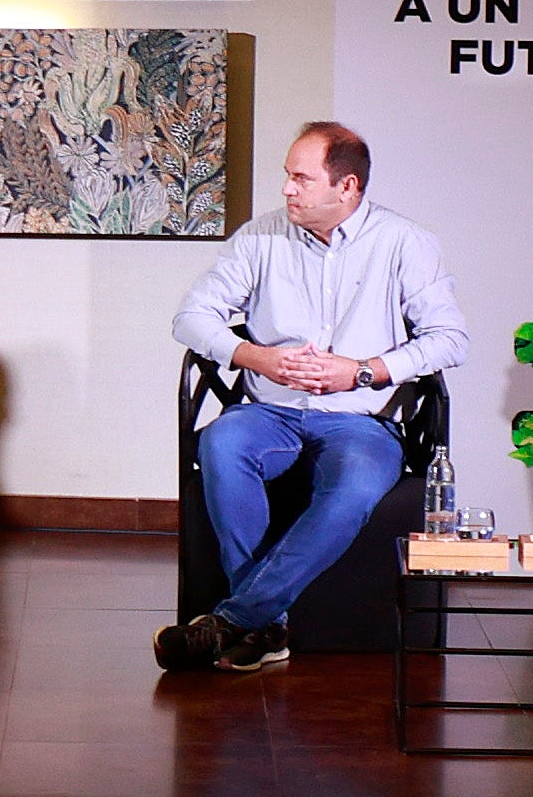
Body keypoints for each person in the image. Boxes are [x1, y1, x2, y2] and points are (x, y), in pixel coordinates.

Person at [161, 120, 467, 676]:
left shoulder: (406, 243)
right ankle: (263, 624)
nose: (287, 189)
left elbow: (450, 340)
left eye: (301, 178)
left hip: (359, 418)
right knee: (225, 445)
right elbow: (190, 318)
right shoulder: (260, 238)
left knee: (353, 485)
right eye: (288, 176)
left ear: (346, 187)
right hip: (269, 409)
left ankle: (235, 621)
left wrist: (363, 372)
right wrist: (258, 358)